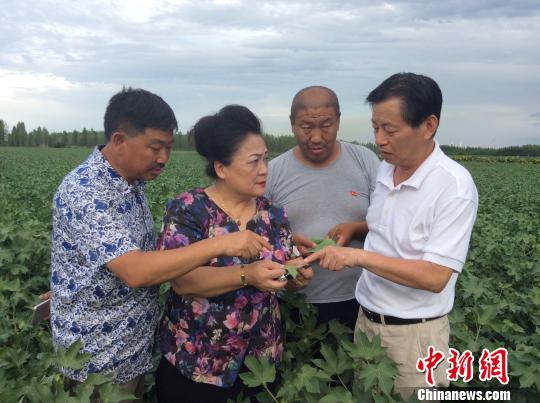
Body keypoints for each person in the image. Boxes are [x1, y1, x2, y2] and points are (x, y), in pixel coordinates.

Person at [51, 89, 273, 401]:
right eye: (155, 148)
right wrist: (220, 244)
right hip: (98, 363)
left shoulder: (132, 182)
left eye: (169, 147)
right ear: (119, 141)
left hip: (132, 353)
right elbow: (136, 271)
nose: (164, 159)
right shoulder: (86, 192)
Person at [305, 73, 479, 397]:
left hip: (415, 338)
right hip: (366, 325)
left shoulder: (453, 187)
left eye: (390, 130)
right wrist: (356, 228)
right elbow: (391, 226)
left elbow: (435, 276)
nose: (380, 140)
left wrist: (357, 257)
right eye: (375, 128)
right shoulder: (386, 168)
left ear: (428, 126)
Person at [154, 105, 313, 402]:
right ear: (221, 168)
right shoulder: (189, 210)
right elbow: (182, 281)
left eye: (265, 158)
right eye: (253, 162)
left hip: (259, 363)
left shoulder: (273, 215)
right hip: (197, 363)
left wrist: (295, 277)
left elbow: (287, 269)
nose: (264, 169)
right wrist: (246, 274)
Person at [265, 86, 380, 329]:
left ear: (338, 121)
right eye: (306, 127)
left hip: (360, 300)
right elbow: (257, 236)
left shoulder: (365, 161)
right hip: (294, 303)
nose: (316, 137)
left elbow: (389, 224)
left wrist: (355, 229)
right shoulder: (273, 172)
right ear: (292, 124)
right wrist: (286, 246)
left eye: (326, 125)